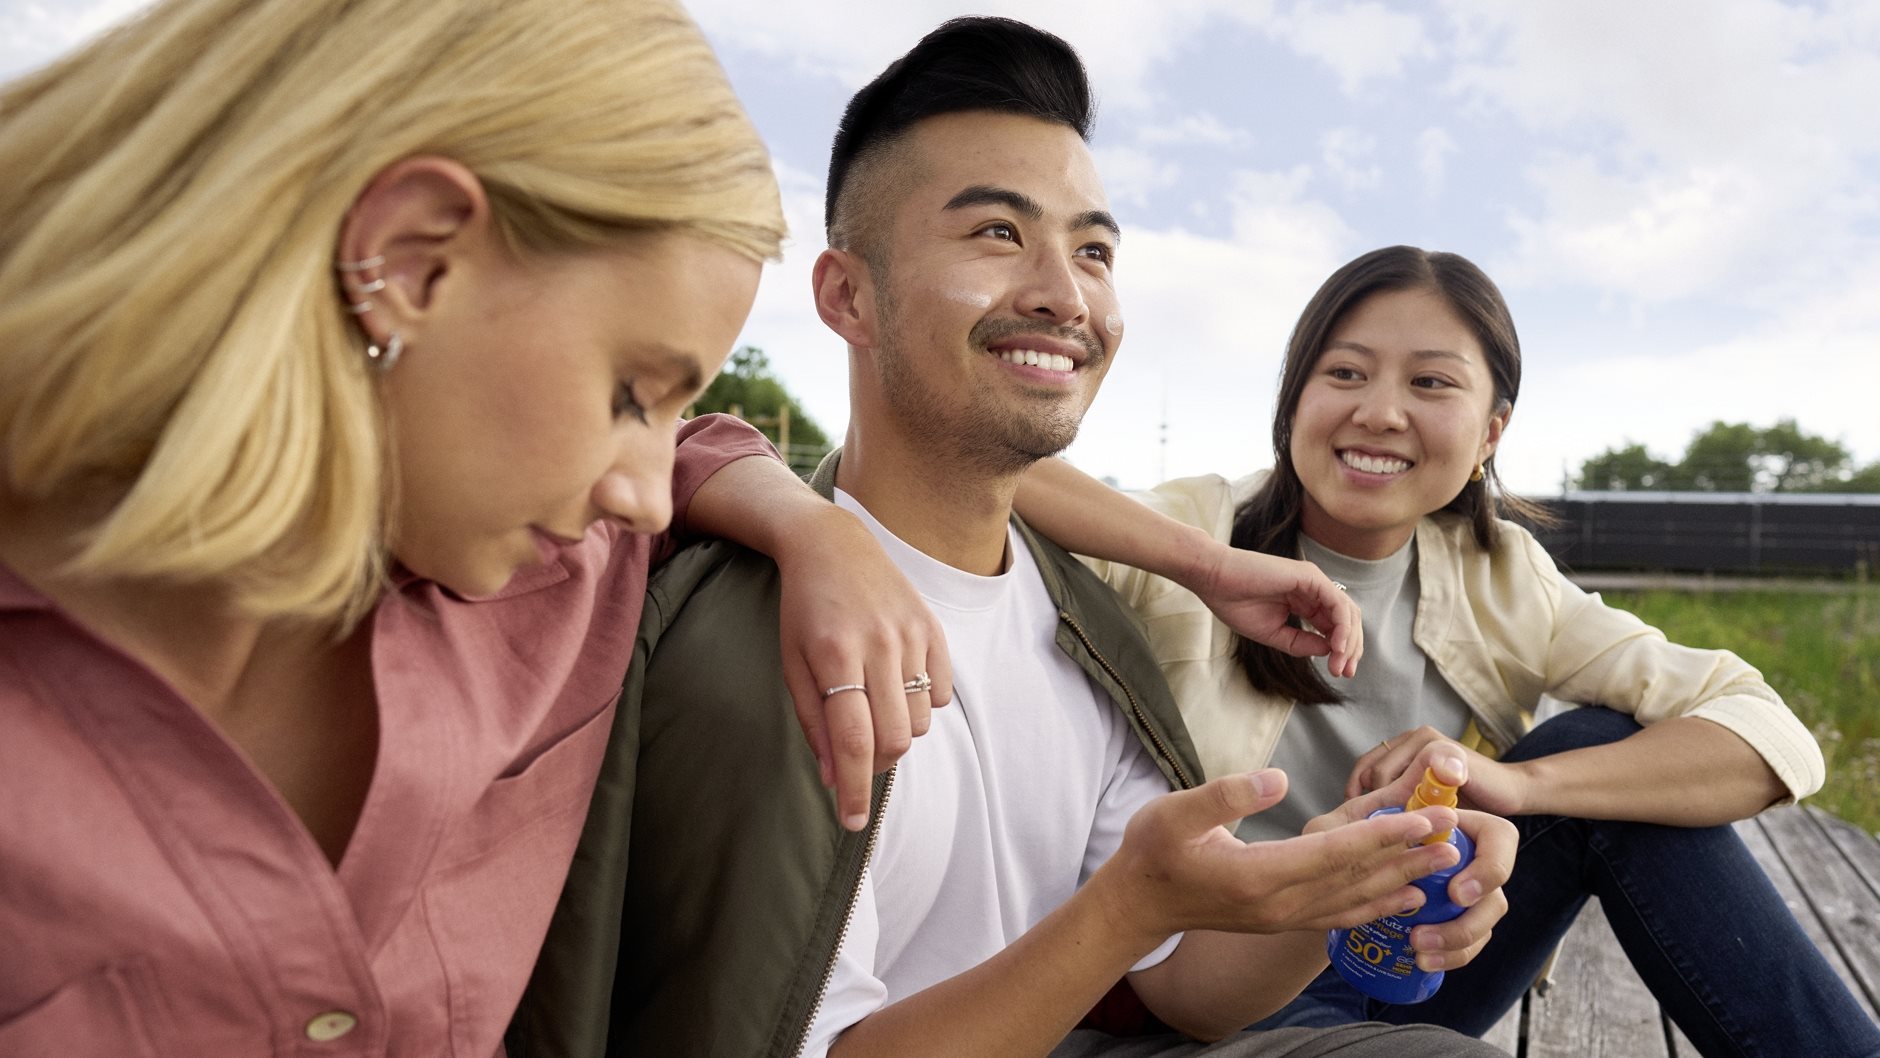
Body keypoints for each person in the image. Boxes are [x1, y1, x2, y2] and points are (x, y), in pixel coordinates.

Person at [513, 20, 1520, 1058]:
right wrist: (1118, 911)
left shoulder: (1080, 623)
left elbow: (1183, 989)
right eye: (997, 234)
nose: (1065, 293)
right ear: (845, 294)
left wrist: (1346, 875)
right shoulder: (758, 642)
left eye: (1092, 250)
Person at [0, 1, 955, 1054]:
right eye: (634, 390)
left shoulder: (555, 564)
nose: (640, 495)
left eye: (671, 405)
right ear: (410, 259)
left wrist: (816, 528)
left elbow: (721, 451)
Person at [1011, 245, 1880, 1056]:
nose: (1380, 412)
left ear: (1489, 435)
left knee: (1590, 750)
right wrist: (1203, 567)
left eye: (1431, 383)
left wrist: (1520, 783)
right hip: (1211, 994)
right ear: (1294, 403)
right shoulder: (1191, 531)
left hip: (1412, 962)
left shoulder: (1504, 577)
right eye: (1343, 372)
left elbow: (1771, 736)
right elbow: (995, 469)